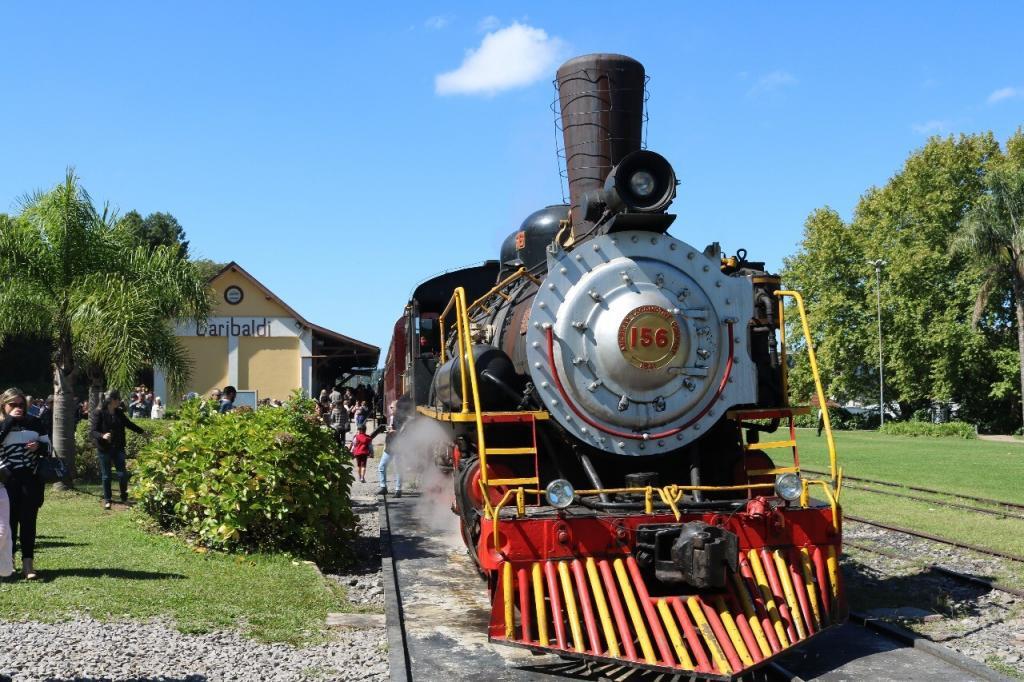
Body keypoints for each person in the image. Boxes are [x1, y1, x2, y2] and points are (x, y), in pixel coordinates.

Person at [0, 388, 47, 579]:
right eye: (13, 405)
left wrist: (39, 447)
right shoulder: (2, 424)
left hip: (31, 478)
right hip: (6, 480)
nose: (18, 408)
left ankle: (28, 564)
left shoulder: (35, 422)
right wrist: (10, 420)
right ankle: (7, 563)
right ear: (4, 405)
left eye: (21, 405)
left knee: (28, 521)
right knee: (7, 523)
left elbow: (48, 447)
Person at [90, 390, 145, 510]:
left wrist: (142, 432)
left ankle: (124, 496)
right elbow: (93, 431)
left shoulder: (119, 412)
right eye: (118, 399)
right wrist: (102, 435)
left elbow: (129, 424)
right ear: (112, 400)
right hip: (104, 448)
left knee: (122, 474)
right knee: (106, 476)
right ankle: (108, 500)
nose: (119, 401)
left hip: (118, 447)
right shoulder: (98, 413)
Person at [377, 397, 411, 498]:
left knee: (398, 468)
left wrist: (394, 431)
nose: (390, 408)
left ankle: (398, 489)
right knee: (381, 466)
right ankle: (383, 487)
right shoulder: (393, 417)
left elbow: (405, 433)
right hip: (390, 444)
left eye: (392, 407)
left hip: (398, 446)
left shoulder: (404, 419)